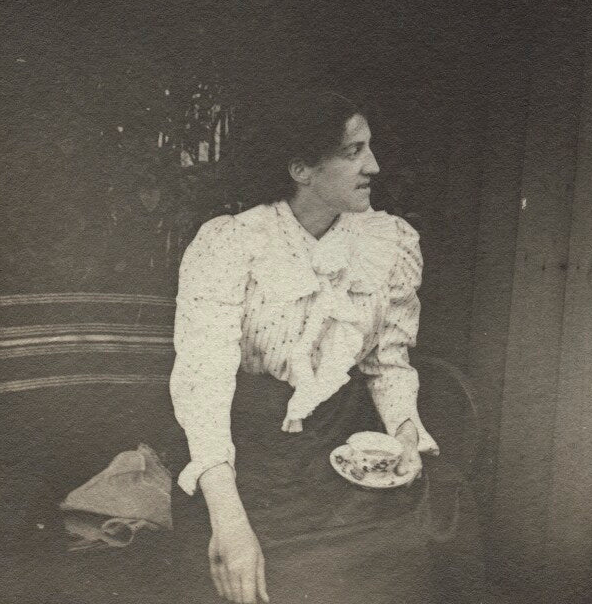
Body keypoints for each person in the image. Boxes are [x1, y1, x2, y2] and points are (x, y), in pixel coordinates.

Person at [168, 91, 482, 604]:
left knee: (434, 517)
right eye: (353, 151)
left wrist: (404, 436)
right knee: (269, 568)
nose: (373, 166)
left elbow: (388, 361)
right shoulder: (230, 244)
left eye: (370, 148)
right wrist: (228, 521)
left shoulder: (387, 243)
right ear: (301, 169)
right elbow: (203, 385)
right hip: (248, 454)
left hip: (343, 445)